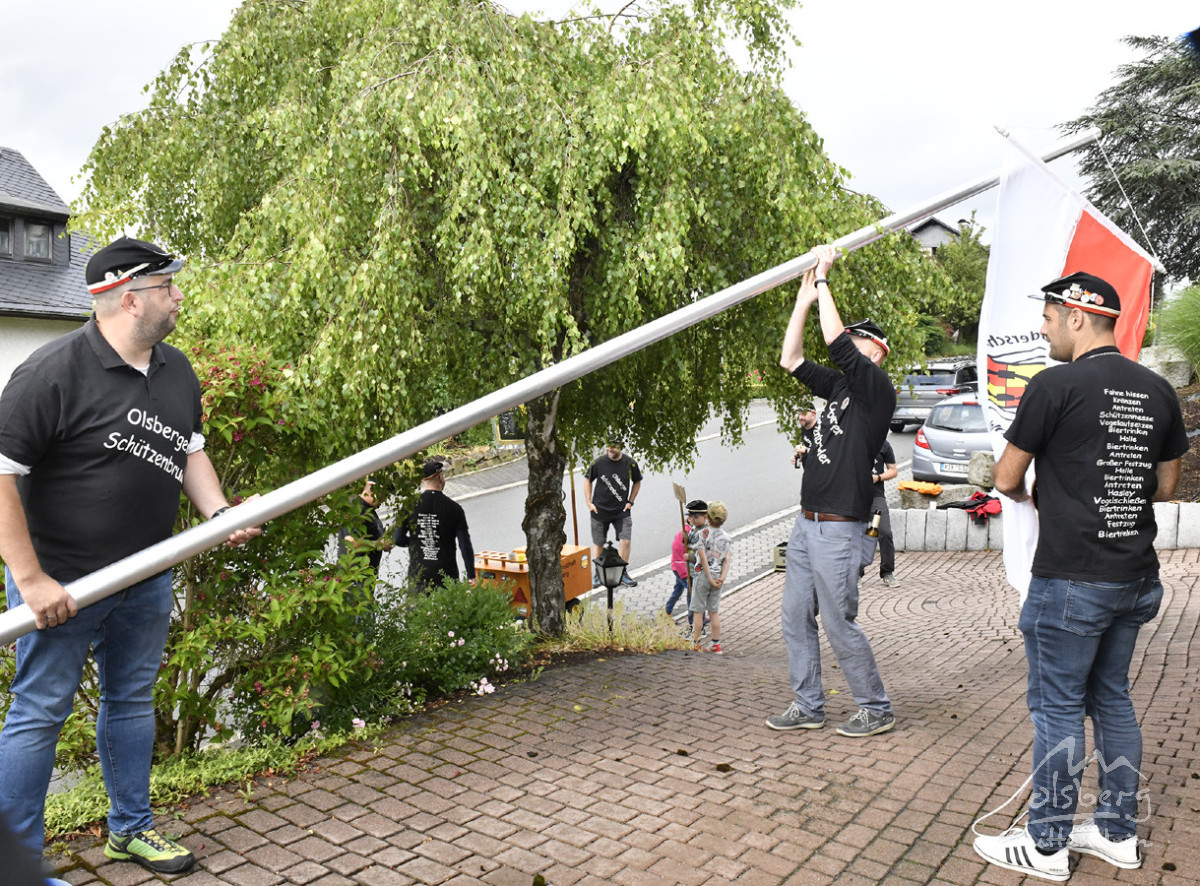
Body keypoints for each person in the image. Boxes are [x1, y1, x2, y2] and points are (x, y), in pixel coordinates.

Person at [0, 237, 261, 874]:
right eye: (167, 286)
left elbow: (188, 449)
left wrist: (219, 514)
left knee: (132, 701)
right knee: (39, 712)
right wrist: (30, 579)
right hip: (64, 584)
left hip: (145, 575)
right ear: (129, 299)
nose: (179, 296)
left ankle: (131, 829)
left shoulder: (176, 369)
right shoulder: (50, 373)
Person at [973, 271, 1187, 881]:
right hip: (1134, 575)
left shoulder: (1053, 385)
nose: (1043, 331)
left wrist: (1038, 492)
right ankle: (1118, 833)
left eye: (1047, 319)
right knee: (1112, 697)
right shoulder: (1158, 389)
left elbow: (1006, 478)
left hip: (1071, 579)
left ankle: (1046, 844)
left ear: (1076, 316)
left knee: (1058, 707)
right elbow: (1167, 486)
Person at [766, 244, 896, 738]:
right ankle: (808, 705)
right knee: (795, 616)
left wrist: (823, 279)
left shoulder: (876, 390)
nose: (848, 346)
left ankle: (875, 708)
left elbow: (835, 341)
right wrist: (802, 301)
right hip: (807, 522)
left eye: (858, 342)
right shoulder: (840, 388)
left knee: (839, 621)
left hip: (840, 529)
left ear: (875, 352)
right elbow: (791, 358)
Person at [394, 460, 476, 592]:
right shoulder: (454, 508)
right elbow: (464, 544)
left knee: (419, 605)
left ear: (423, 481)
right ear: (440, 478)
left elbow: (397, 538)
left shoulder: (409, 505)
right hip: (446, 576)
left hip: (418, 575)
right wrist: (471, 575)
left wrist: (416, 543)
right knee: (447, 605)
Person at [584, 440, 643, 587]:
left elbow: (637, 481)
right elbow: (587, 480)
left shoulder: (630, 463)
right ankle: (598, 575)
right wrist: (589, 503)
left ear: (621, 446)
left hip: (621, 511)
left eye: (614, 446)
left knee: (626, 541)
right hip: (600, 510)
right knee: (598, 543)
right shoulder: (598, 462)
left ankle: (622, 573)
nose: (610, 449)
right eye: (608, 446)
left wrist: (630, 501)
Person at [689, 501, 733, 654]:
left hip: (703, 576)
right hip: (718, 576)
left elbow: (703, 558)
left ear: (707, 516)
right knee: (713, 611)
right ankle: (716, 644)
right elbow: (726, 560)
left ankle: (695, 643)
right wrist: (721, 578)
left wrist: (709, 578)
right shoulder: (726, 537)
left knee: (698, 611)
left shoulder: (702, 534)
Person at [666, 500, 710, 635]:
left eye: (696, 517)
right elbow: (686, 547)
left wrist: (690, 557)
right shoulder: (691, 531)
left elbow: (704, 556)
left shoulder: (704, 532)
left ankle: (698, 628)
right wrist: (685, 539)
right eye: (691, 517)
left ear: (705, 517)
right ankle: (694, 626)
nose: (693, 519)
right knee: (691, 599)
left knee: (695, 601)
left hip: (698, 573)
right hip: (687, 571)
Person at [867, 440, 899, 587]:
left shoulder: (884, 444)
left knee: (884, 531)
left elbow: (893, 470)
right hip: (854, 497)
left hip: (876, 498)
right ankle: (856, 574)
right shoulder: (852, 439)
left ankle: (887, 572)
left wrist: (878, 478)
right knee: (856, 534)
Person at [791, 405, 818, 469]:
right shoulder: (800, 431)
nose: (800, 417)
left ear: (813, 414)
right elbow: (800, 449)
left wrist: (806, 450)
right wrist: (796, 455)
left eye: (804, 414)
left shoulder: (822, 430)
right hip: (808, 471)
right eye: (799, 414)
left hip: (822, 472)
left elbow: (827, 452)